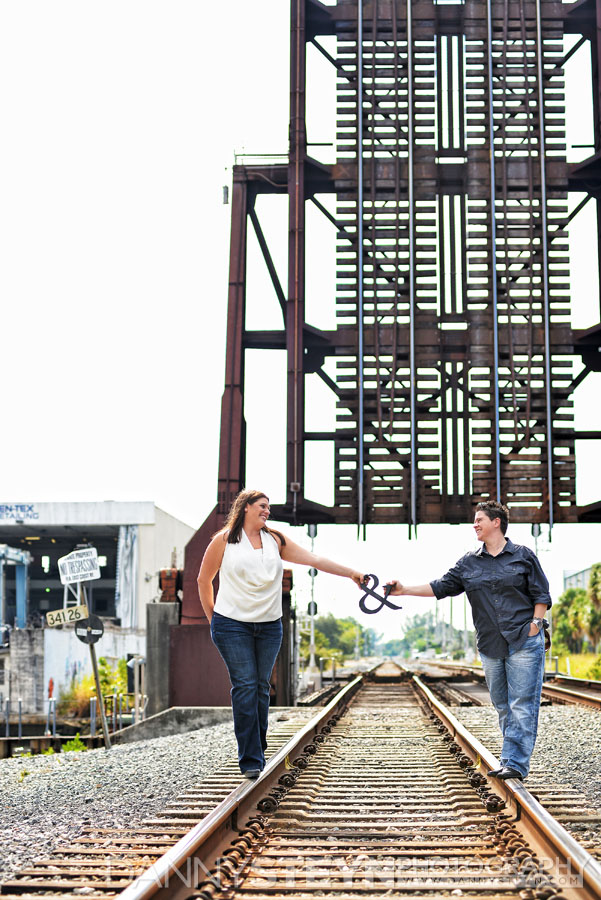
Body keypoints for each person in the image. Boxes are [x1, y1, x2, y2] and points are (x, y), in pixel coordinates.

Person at [197, 488, 366, 779]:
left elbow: (314, 559)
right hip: (231, 624)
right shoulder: (224, 541)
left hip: (269, 625)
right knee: (246, 686)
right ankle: (250, 758)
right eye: (261, 506)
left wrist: (351, 572)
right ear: (246, 507)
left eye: (268, 507)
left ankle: (257, 746)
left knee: (261, 687)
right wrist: (213, 618)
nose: (267, 511)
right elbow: (204, 580)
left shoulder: (275, 540)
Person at [387, 500, 551, 781]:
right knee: (502, 705)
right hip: (490, 643)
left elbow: (541, 594)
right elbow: (441, 586)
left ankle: (514, 763)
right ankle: (512, 758)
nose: (474, 524)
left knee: (522, 704)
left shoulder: (523, 555)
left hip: (523, 639)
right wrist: (403, 590)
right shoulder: (469, 562)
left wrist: (536, 624)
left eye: (479, 520)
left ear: (496, 522)